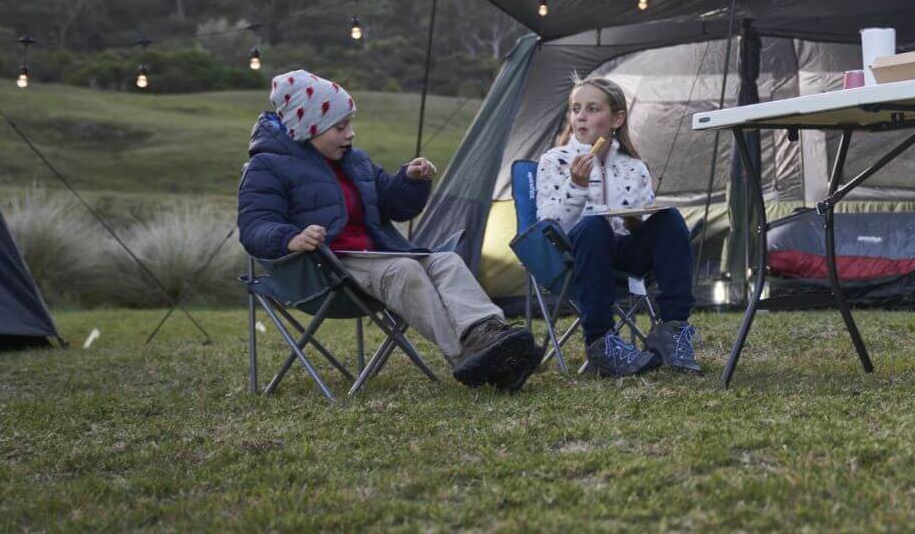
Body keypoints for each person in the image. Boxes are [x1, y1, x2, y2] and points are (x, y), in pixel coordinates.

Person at [238, 69, 542, 392]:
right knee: (404, 269)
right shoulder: (267, 166)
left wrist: (410, 180)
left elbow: (395, 205)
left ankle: (489, 335)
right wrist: (291, 238)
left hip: (378, 256)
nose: (350, 134)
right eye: (340, 126)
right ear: (307, 128)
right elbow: (254, 225)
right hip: (325, 268)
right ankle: (469, 355)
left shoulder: (355, 162)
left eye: (350, 124)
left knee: (447, 262)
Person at [534, 75, 700, 377]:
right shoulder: (554, 161)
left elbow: (641, 223)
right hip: (577, 255)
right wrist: (576, 185)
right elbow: (551, 224)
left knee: (670, 219)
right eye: (576, 108)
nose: (581, 116)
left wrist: (640, 218)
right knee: (593, 227)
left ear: (617, 118)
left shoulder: (633, 166)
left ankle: (673, 329)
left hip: (625, 254)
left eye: (593, 109)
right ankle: (601, 343)